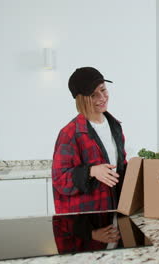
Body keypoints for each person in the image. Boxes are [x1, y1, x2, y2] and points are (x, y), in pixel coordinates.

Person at [52, 67, 127, 214]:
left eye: (103, 90)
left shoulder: (115, 126)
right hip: (87, 220)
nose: (102, 98)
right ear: (81, 100)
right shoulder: (70, 133)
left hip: (114, 211)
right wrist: (91, 171)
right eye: (93, 95)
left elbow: (119, 167)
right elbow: (59, 179)